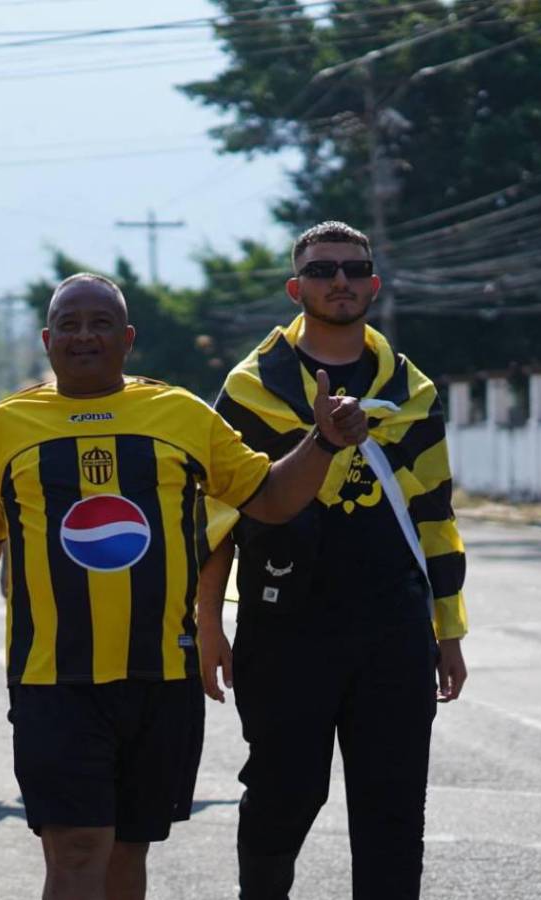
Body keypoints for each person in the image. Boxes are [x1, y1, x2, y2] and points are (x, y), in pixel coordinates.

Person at [0, 272, 369, 900]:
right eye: (69, 324)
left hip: (159, 679)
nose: (83, 336)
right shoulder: (7, 426)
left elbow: (267, 498)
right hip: (54, 679)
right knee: (76, 849)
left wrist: (323, 441)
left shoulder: (180, 414)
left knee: (128, 852)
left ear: (127, 338)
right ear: (48, 340)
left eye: (100, 323)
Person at [197, 221, 470, 900]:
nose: (340, 281)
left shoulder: (411, 391)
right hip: (284, 625)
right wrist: (207, 625)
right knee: (284, 797)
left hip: (393, 628)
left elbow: (435, 517)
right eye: (323, 270)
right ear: (297, 288)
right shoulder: (251, 387)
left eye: (354, 269)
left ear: (374, 285)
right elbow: (217, 521)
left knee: (393, 808)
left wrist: (450, 630)